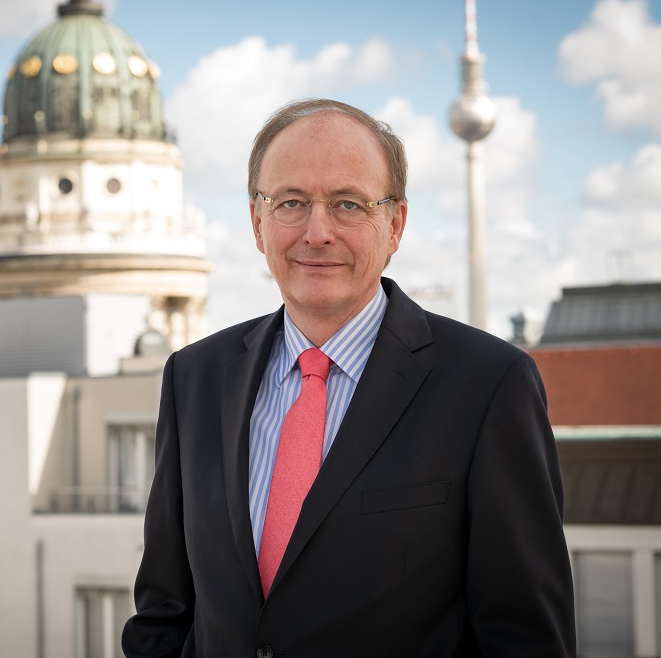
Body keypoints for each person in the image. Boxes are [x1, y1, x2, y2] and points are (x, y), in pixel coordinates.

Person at [122, 99, 575, 657]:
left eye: (348, 204)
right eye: (291, 202)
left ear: (395, 225)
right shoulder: (194, 378)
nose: (317, 233)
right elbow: (165, 613)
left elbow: (527, 640)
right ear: (258, 223)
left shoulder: (488, 385)